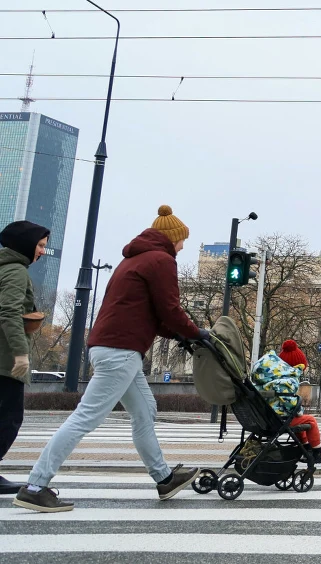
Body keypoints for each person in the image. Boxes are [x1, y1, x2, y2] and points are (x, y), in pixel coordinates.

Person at [16, 205, 204, 513]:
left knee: (145, 410)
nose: (182, 247)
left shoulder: (131, 260)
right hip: (121, 351)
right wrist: (196, 333)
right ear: (171, 238)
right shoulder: (161, 260)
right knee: (84, 418)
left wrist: (181, 335)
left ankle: (164, 477)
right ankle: (36, 485)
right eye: (182, 240)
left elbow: (151, 315)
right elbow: (170, 309)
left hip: (113, 346)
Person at [0, 221, 46, 495]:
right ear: (25, 244)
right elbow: (8, 313)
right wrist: (20, 353)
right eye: (40, 245)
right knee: (10, 416)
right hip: (5, 359)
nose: (42, 251)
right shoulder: (16, 272)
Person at [259, 340, 321, 463]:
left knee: (299, 420)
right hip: (277, 420)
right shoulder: (287, 380)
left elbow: (277, 398)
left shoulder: (269, 379)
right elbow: (289, 402)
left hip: (266, 417)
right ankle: (319, 452)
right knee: (310, 420)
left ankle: (306, 448)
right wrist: (299, 410)